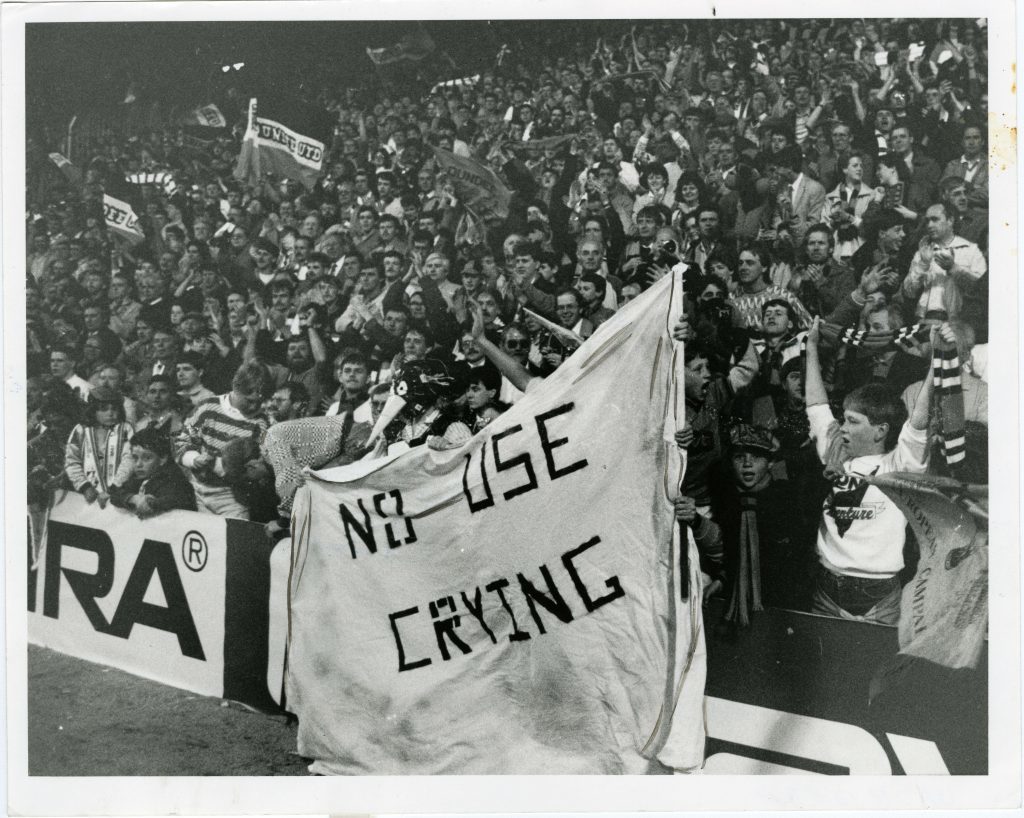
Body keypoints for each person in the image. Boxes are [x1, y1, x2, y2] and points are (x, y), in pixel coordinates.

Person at [803, 316, 935, 625]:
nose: (842, 427)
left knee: (874, 668)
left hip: (880, 593)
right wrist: (810, 348)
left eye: (852, 421)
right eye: (844, 418)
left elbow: (919, 419)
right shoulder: (836, 452)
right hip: (827, 587)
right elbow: (816, 406)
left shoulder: (899, 464)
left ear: (880, 430)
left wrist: (937, 364)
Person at [174, 361, 272, 519]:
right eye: (249, 400)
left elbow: (260, 466)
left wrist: (223, 466)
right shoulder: (207, 407)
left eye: (259, 402)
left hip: (231, 496)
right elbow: (182, 440)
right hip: (196, 489)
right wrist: (193, 459)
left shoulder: (261, 423)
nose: (254, 407)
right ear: (236, 388)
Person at [63, 386, 134, 508]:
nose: (110, 413)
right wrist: (85, 486)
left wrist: (112, 489)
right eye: (104, 409)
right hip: (88, 494)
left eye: (114, 409)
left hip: (117, 492)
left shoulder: (126, 429)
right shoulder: (81, 430)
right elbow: (72, 461)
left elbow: (129, 460)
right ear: (93, 410)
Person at [109, 428, 197, 518]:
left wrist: (151, 503)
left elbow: (174, 499)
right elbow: (115, 494)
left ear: (163, 458)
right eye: (135, 458)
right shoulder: (143, 476)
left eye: (147, 458)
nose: (138, 464)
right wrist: (133, 499)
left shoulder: (175, 479)